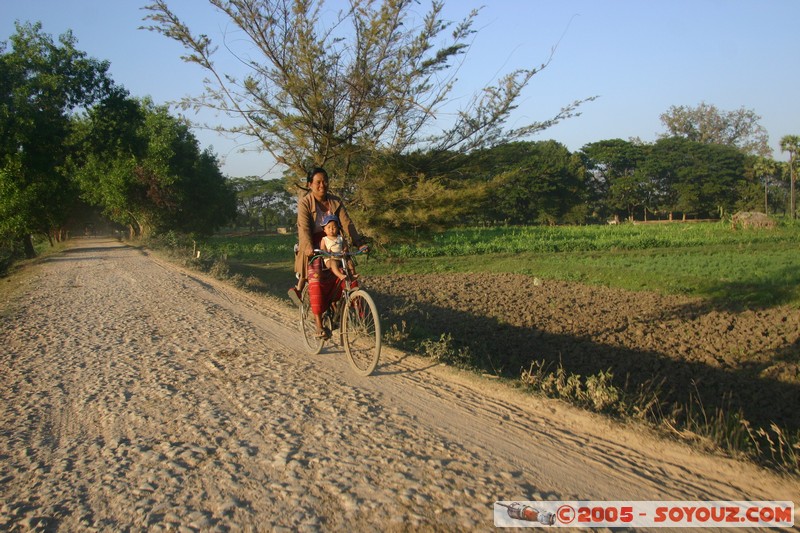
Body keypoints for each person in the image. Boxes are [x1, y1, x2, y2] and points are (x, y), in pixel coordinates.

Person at [288, 167, 366, 338]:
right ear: (310, 185)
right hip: (315, 245)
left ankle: (351, 309)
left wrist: (358, 242)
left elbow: (347, 223)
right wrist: (308, 247)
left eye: (325, 181)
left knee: (348, 269)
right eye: (318, 182)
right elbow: (304, 228)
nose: (322, 185)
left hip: (335, 243)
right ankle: (318, 325)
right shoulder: (305, 203)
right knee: (315, 274)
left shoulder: (335, 202)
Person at [320, 214, 359, 282]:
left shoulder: (340, 238)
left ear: (338, 228)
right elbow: (322, 249)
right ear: (324, 230)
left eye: (334, 227)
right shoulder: (324, 239)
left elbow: (345, 246)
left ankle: (352, 275)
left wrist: (344, 250)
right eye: (328, 227)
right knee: (333, 263)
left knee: (350, 262)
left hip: (341, 258)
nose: (331, 229)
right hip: (330, 259)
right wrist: (327, 252)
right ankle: (340, 275)